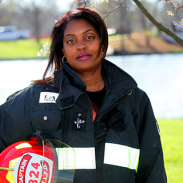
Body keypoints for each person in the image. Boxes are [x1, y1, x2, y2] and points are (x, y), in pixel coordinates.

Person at [0, 2, 167, 183]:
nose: (80, 46)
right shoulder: (36, 98)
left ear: (102, 42)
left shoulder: (134, 100)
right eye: (71, 40)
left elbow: (152, 171)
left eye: (89, 37)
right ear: (62, 49)